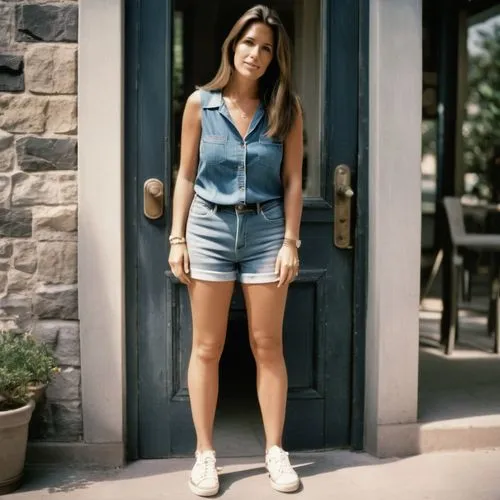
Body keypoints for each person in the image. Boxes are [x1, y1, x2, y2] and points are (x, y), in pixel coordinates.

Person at [168, 4, 303, 497]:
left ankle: (275, 450)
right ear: (233, 46)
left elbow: (292, 181)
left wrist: (291, 241)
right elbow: (185, 174)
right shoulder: (200, 105)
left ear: (275, 57)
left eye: (266, 47)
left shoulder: (286, 108)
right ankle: (205, 455)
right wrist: (177, 237)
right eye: (249, 43)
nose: (257, 54)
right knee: (208, 346)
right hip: (208, 229)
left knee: (267, 346)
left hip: (267, 231)